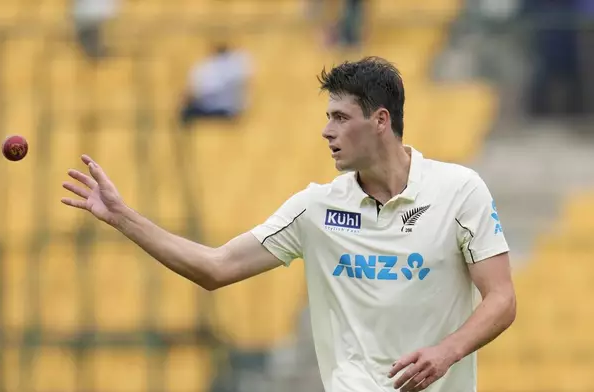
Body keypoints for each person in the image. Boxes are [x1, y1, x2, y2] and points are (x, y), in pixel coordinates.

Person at [61, 57, 517, 392]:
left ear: (381, 121)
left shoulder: (460, 190)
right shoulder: (315, 207)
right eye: (327, 118)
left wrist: (447, 352)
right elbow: (215, 268)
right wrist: (123, 217)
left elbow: (501, 298)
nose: (326, 131)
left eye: (340, 118)